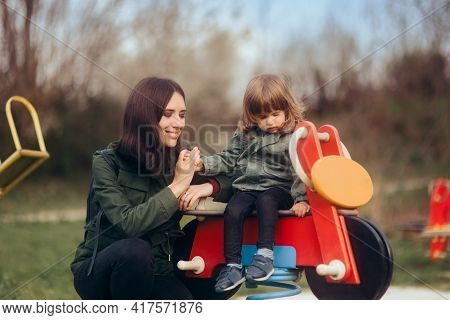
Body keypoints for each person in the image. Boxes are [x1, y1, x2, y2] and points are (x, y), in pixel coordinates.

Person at [70, 77, 231, 300]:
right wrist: (178, 186)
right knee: (136, 251)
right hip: (102, 272)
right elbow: (129, 225)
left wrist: (208, 186)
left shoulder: (179, 158)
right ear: (144, 116)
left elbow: (236, 180)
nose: (179, 123)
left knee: (220, 232)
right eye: (168, 114)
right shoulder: (107, 162)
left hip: (159, 272)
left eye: (182, 115)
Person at [188, 74, 309, 293]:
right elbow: (227, 158)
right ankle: (232, 265)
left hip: (279, 189)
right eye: (263, 117)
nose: (270, 121)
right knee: (234, 209)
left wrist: (301, 199)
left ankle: (265, 256)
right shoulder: (245, 134)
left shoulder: (294, 134)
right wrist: (203, 165)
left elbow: (300, 169)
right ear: (252, 116)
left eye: (275, 114)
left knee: (266, 200)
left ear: (287, 109)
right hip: (248, 187)